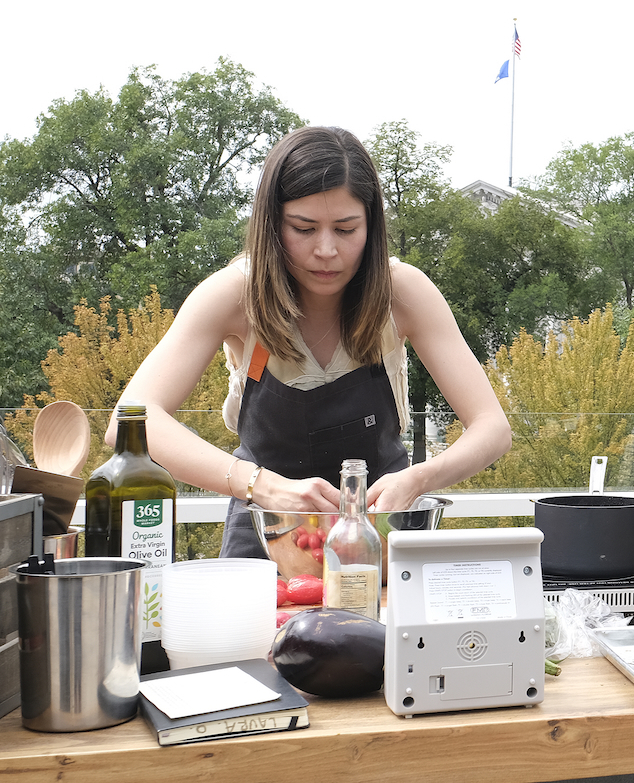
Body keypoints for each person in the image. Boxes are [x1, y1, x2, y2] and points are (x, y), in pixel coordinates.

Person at [115, 126, 512, 556]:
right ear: (271, 225)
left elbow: (493, 428)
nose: (326, 250)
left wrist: (419, 479)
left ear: (371, 226)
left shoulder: (405, 294)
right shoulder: (233, 295)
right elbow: (131, 419)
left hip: (383, 536)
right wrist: (261, 485)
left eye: (345, 229)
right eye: (304, 228)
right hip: (265, 540)